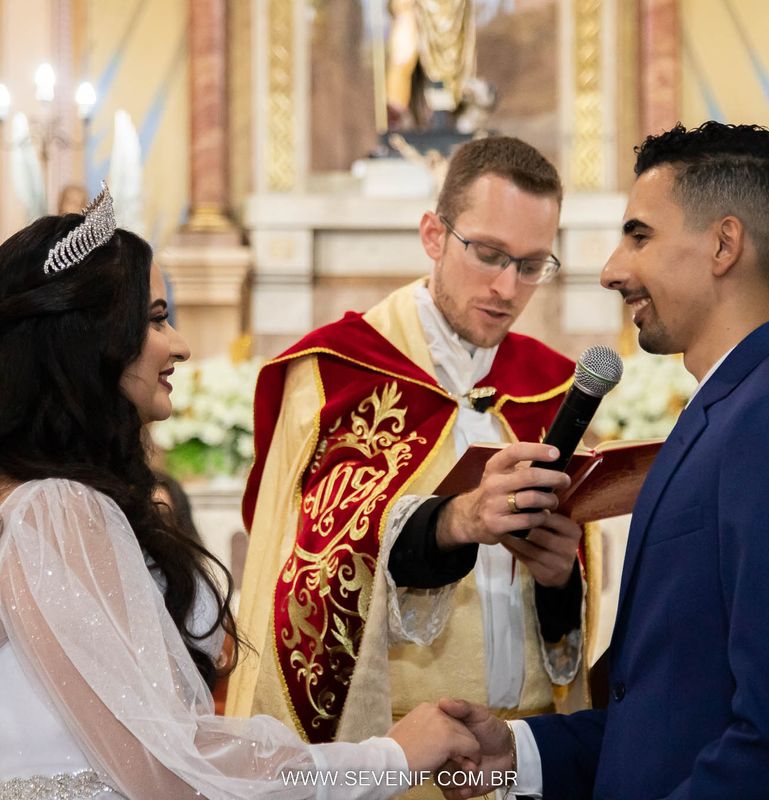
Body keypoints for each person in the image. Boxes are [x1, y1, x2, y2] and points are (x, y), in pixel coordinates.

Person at [0, 184, 481, 798]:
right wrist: (390, 757)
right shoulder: (56, 510)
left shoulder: (42, 501)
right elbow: (169, 767)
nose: (180, 343)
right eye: (154, 319)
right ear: (88, 342)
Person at [436, 121, 769, 799]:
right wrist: (519, 750)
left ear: (724, 244)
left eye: (639, 236)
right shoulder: (728, 409)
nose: (611, 270)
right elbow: (670, 706)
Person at [227, 136, 597, 762]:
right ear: (433, 235)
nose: (507, 287)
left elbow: (562, 610)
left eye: (532, 265)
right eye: (488, 254)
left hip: (518, 753)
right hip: (391, 748)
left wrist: (560, 578)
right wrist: (452, 521)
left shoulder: (553, 389)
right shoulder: (335, 373)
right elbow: (307, 568)